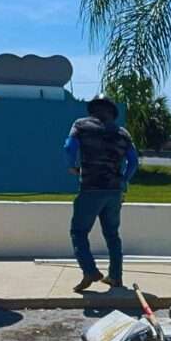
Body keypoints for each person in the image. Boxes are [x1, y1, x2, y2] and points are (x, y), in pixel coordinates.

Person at [64, 94, 139, 291]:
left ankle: (89, 270)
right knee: (112, 234)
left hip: (90, 188)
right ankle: (115, 276)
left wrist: (72, 166)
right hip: (114, 192)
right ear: (112, 113)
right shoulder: (123, 133)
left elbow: (69, 147)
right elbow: (134, 161)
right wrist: (123, 180)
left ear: (92, 109)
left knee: (79, 232)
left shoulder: (81, 125)